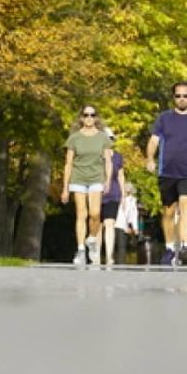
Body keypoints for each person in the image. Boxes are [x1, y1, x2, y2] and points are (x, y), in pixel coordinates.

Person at [146, 81, 187, 266]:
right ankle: (169, 248)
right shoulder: (164, 119)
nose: (182, 99)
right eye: (178, 96)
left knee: (185, 207)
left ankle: (183, 247)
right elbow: (153, 141)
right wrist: (150, 158)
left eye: (185, 96)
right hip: (167, 172)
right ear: (173, 97)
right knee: (168, 212)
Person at [61, 105, 112, 266]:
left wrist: (108, 180)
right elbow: (68, 163)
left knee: (95, 214)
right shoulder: (74, 138)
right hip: (78, 178)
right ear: (81, 118)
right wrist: (65, 187)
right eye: (86, 115)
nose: (89, 118)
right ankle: (81, 249)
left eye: (92, 115)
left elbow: (108, 161)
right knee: (81, 214)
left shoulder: (103, 137)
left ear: (96, 117)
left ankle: (91, 239)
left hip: (96, 177)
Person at [96, 129, 125, 266]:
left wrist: (124, 195)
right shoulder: (95, 156)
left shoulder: (118, 157)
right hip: (96, 193)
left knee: (110, 224)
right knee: (97, 225)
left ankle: (109, 256)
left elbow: (120, 176)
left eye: (111, 139)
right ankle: (95, 255)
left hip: (113, 194)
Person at [116, 183, 140, 263]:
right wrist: (125, 227)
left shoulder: (132, 200)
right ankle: (120, 264)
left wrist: (135, 228)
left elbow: (134, 214)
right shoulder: (122, 200)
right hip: (119, 225)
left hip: (125, 225)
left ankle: (121, 263)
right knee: (121, 246)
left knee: (124, 246)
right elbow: (121, 215)